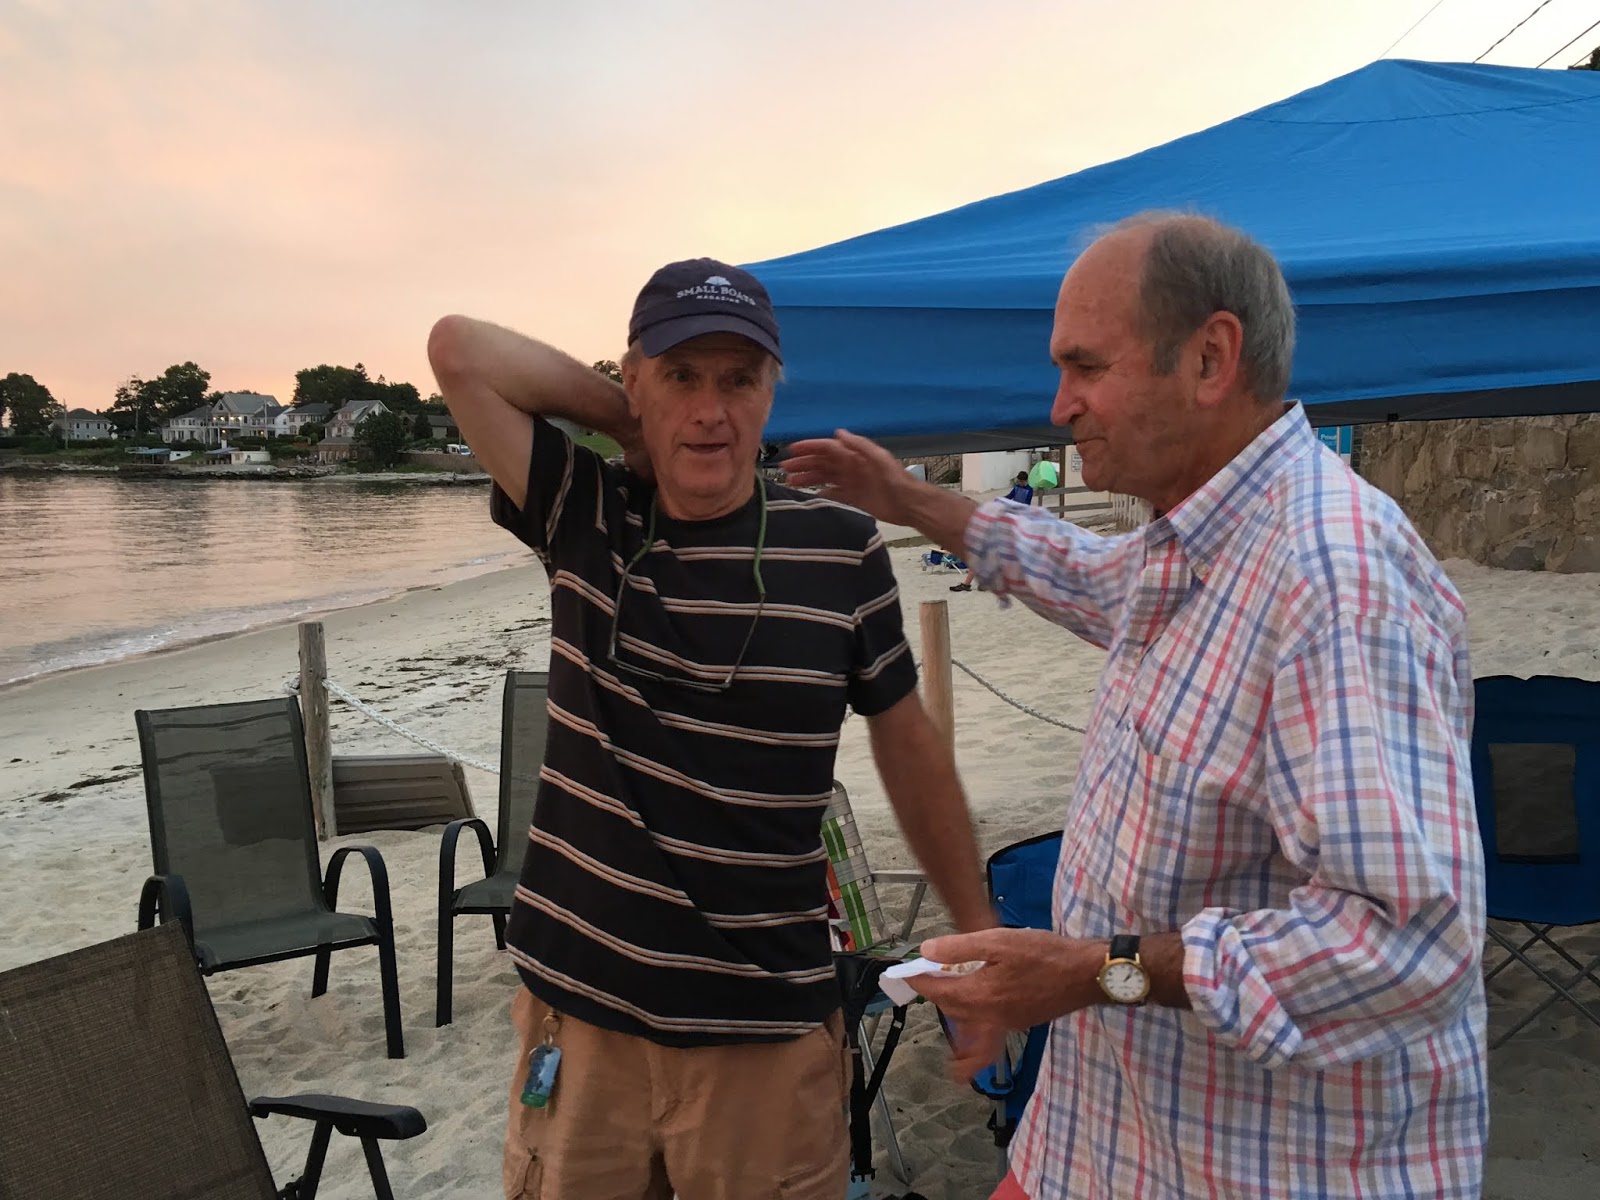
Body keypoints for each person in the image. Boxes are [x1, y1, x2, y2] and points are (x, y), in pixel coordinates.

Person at [782, 213, 1487, 1199]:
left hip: (1259, 1167)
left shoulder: (1333, 578)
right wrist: (909, 500)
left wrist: (1093, 972)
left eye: (1085, 366)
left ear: (1209, 359)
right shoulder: (1196, 544)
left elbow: (1407, 946)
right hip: (1108, 1141)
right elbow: (1083, 572)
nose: (1059, 404)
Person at [427, 258, 996, 1200]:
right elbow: (460, 351)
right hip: (583, 1021)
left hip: (763, 1036)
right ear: (634, 378)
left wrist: (978, 935)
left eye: (739, 380)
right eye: (681, 377)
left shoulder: (841, 549)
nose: (710, 412)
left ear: (773, 391)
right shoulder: (589, 511)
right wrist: (627, 422)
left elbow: (909, 746)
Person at [952, 472, 1032, 592]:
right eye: (1018, 481)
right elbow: (1010, 496)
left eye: (1021, 481)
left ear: (1025, 481)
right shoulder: (1016, 488)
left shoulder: (1029, 490)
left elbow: (1025, 505)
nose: (1019, 483)